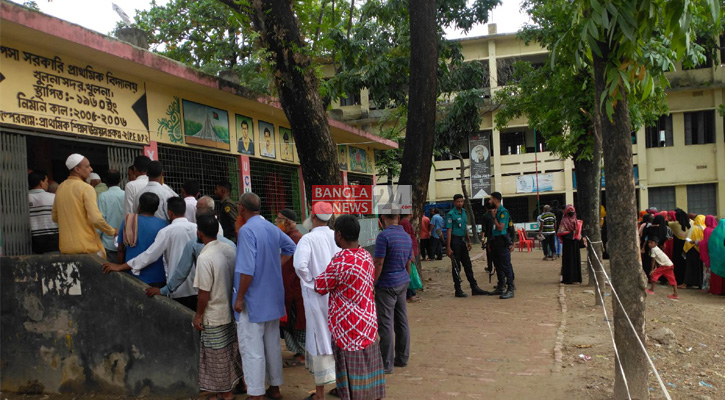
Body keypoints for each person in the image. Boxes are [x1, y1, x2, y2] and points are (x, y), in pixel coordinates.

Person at [315, 215, 386, 400]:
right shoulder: (366, 256)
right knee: (369, 367)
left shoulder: (340, 262)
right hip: (368, 323)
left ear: (338, 235)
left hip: (347, 329)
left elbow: (320, 286)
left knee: (351, 377)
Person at [233, 192, 296, 400]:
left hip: (254, 298)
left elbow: (247, 269)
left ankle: (255, 393)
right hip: (273, 296)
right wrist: (275, 266)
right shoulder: (271, 227)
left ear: (242, 207)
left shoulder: (246, 231)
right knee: (271, 346)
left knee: (252, 348)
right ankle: (274, 388)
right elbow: (291, 247)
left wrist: (240, 298)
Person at [103, 197, 198, 309]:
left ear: (170, 213)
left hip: (177, 288)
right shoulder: (197, 229)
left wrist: (121, 266)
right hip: (198, 286)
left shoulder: (167, 231)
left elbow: (150, 255)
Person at [192, 214, 244, 399]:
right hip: (231, 312)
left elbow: (204, 292)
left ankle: (226, 394)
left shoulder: (205, 257)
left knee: (217, 357)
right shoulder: (230, 249)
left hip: (214, 315)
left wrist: (198, 315)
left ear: (199, 233)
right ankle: (229, 389)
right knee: (231, 352)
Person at [293, 202, 340, 400]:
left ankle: (320, 394)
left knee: (320, 338)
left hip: (317, 295)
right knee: (335, 336)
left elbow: (300, 265)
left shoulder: (308, 239)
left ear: (312, 216)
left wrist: (313, 283)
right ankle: (340, 386)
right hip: (337, 295)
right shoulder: (337, 236)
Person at [145, 208, 235, 299]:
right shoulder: (231, 246)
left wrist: (165, 290)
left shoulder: (194, 245)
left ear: (199, 231)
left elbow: (181, 272)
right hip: (231, 294)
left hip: (209, 297)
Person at [52, 154, 116, 256]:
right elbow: (95, 219)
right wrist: (112, 231)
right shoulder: (86, 188)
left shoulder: (60, 187)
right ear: (77, 169)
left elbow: (55, 217)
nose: (91, 169)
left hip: (66, 248)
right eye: (87, 166)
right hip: (87, 248)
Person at [373, 213, 411, 374]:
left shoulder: (383, 236)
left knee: (386, 324)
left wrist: (373, 282)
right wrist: (406, 280)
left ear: (382, 217)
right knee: (402, 321)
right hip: (402, 281)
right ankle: (402, 358)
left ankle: (386, 363)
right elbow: (409, 261)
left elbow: (379, 262)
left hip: (386, 284)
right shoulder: (406, 236)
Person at [106, 193, 167, 286]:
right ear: (156, 209)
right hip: (158, 277)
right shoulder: (164, 225)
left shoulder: (129, 220)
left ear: (139, 207)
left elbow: (120, 249)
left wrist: (120, 267)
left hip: (133, 275)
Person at [276, 208, 306, 366]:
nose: (276, 222)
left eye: (279, 219)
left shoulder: (295, 238)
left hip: (294, 290)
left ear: (287, 221)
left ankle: (303, 354)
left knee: (297, 323)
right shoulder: (290, 237)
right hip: (289, 289)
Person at [446, 194, 488, 297]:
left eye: (461, 201)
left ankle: (474, 287)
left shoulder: (464, 212)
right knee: (456, 266)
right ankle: (458, 289)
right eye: (458, 201)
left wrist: (469, 240)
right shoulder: (451, 214)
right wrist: (448, 247)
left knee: (468, 265)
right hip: (454, 241)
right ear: (454, 202)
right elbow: (449, 230)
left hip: (462, 241)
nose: (460, 203)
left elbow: (465, 228)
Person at [488, 192, 515, 299]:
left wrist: (494, 217)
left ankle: (510, 289)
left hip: (502, 240)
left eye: (491, 199)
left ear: (495, 199)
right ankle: (500, 286)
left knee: (505, 265)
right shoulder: (494, 211)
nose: (489, 201)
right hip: (495, 241)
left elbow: (500, 227)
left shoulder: (503, 212)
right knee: (497, 264)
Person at [28, 170, 59, 254]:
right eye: (46, 181)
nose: (47, 184)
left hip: (31, 242)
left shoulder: (24, 199)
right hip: (52, 241)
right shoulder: (54, 198)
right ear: (41, 183)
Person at [97, 170, 125, 262]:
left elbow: (100, 219)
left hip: (108, 242)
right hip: (125, 241)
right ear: (120, 180)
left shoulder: (103, 196)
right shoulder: (126, 195)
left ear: (105, 181)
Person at [558, 204, 586, 285]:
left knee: (575, 260)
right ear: (566, 211)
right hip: (567, 244)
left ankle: (576, 279)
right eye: (569, 211)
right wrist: (572, 234)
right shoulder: (564, 221)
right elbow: (561, 232)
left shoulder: (576, 220)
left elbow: (579, 232)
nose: (571, 212)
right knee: (568, 260)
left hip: (575, 244)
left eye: (572, 211)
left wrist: (576, 234)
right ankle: (568, 279)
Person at [399, 213, 420, 302]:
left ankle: (410, 293)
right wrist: (411, 253)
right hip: (410, 252)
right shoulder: (405, 223)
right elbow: (408, 238)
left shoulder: (404, 223)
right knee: (410, 272)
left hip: (410, 251)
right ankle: (410, 294)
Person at [669, 208, 691, 285]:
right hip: (688, 244)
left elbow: (665, 222)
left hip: (678, 245)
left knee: (678, 263)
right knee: (686, 263)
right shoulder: (691, 223)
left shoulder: (674, 224)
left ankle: (678, 279)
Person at [683, 215, 706, 288]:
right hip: (701, 249)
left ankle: (689, 282)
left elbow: (688, 239)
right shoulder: (705, 228)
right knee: (700, 267)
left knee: (691, 266)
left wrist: (685, 249)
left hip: (692, 249)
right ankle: (700, 283)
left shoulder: (693, 228)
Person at [700, 215, 717, 292]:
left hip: (707, 252)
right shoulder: (717, 229)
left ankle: (706, 287)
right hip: (715, 253)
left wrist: (698, 243)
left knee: (706, 271)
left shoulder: (707, 230)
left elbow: (705, 242)